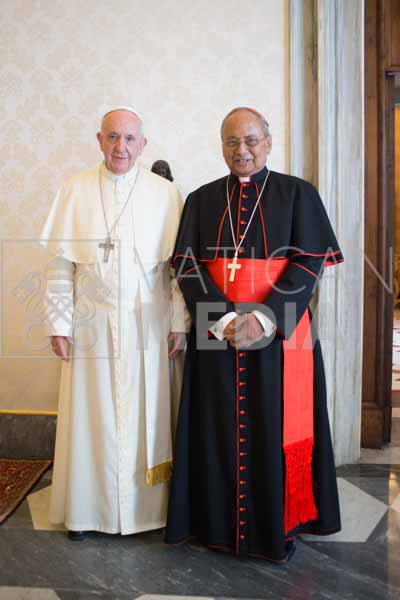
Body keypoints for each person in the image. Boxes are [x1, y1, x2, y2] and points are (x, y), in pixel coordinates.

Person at [165, 107, 343, 562]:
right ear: (221, 146)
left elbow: (310, 261)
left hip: (281, 331)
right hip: (216, 331)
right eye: (231, 142)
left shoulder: (299, 194)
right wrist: (224, 319)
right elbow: (186, 264)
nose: (241, 150)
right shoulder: (201, 199)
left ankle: (275, 527)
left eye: (250, 140)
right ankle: (215, 526)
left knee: (274, 426)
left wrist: (263, 318)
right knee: (215, 427)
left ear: (268, 142)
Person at [41, 106, 189, 540]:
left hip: (149, 323)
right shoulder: (74, 189)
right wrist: (59, 323)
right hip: (91, 324)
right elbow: (60, 266)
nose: (120, 147)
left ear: (143, 144)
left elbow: (178, 269)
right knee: (92, 418)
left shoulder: (166, 194)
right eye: (111, 137)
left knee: (149, 417)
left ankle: (149, 512)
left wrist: (179, 322)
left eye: (129, 138)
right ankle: (88, 513)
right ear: (99, 140)